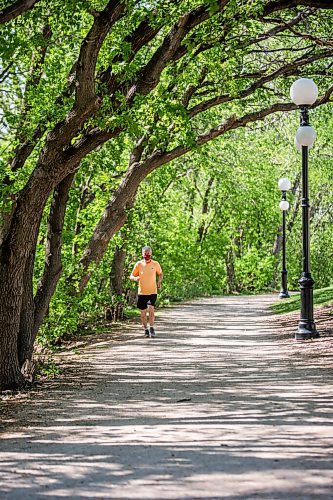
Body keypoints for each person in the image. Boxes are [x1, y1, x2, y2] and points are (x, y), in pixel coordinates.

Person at [130, 246, 163, 338]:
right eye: (145, 253)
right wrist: (135, 278)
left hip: (152, 291)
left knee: (151, 309)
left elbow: (160, 273)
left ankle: (152, 328)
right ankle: (146, 329)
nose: (146, 255)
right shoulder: (139, 264)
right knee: (143, 313)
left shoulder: (155, 264)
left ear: (151, 254)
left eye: (148, 253)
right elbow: (131, 276)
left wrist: (159, 282)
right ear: (142, 254)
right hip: (142, 293)